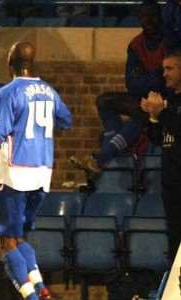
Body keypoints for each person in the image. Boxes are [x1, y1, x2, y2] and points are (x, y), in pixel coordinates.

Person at [0, 41, 72, 300]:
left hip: (14, 171)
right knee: (20, 236)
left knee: (6, 240)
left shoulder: (8, 91)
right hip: (42, 171)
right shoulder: (48, 90)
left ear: (10, 62)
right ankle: (41, 289)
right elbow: (66, 120)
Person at [69, 0, 166, 180]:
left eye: (152, 16)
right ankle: (111, 150)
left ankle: (101, 159)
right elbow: (132, 83)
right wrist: (155, 77)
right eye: (144, 17)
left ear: (161, 17)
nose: (148, 21)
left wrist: (151, 80)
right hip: (142, 99)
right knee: (104, 101)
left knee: (141, 114)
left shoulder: (171, 40)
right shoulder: (136, 44)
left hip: (168, 100)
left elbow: (168, 79)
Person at [140, 50, 181, 264]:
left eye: (170, 68)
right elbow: (158, 138)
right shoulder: (171, 101)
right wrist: (153, 117)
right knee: (174, 241)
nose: (164, 74)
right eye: (163, 69)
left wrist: (161, 113)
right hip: (171, 185)